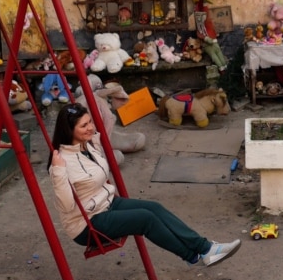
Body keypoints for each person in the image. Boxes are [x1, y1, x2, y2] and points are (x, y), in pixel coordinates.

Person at [49, 102, 240, 266]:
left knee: (154, 207)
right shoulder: (63, 162)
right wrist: (58, 171)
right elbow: (66, 206)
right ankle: (193, 255)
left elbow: (104, 124)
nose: (90, 128)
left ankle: (206, 248)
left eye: (90, 121)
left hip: (106, 203)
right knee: (145, 218)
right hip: (87, 223)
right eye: (84, 126)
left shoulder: (88, 144)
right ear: (69, 130)